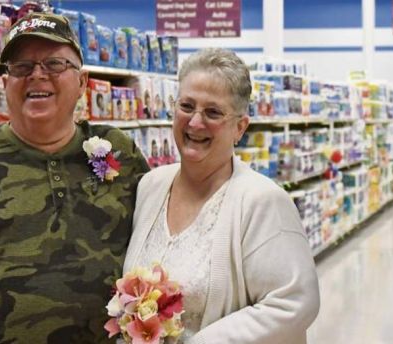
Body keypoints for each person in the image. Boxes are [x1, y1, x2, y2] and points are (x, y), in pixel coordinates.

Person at [0, 12, 149, 342]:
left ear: (82, 82)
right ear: (4, 82)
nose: (37, 75)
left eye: (55, 64)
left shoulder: (121, 153)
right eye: (22, 67)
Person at [124, 48, 320, 343]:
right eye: (186, 106)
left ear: (240, 127)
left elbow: (293, 303)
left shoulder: (262, 201)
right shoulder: (150, 186)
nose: (194, 122)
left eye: (213, 112)